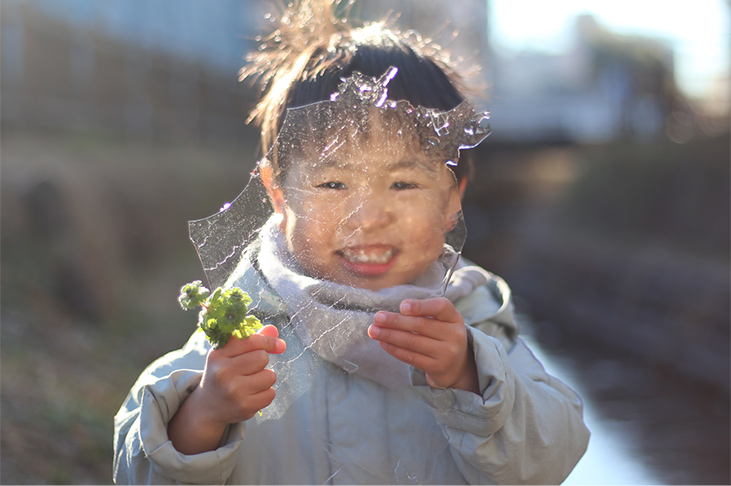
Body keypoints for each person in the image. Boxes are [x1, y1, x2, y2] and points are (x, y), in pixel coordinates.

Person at [113, 1, 589, 484]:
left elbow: (554, 455)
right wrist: (202, 418)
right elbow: (135, 469)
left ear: (453, 201)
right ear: (278, 192)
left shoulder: (474, 322)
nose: (367, 219)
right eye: (333, 185)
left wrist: (471, 376)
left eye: (403, 185)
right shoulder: (245, 330)